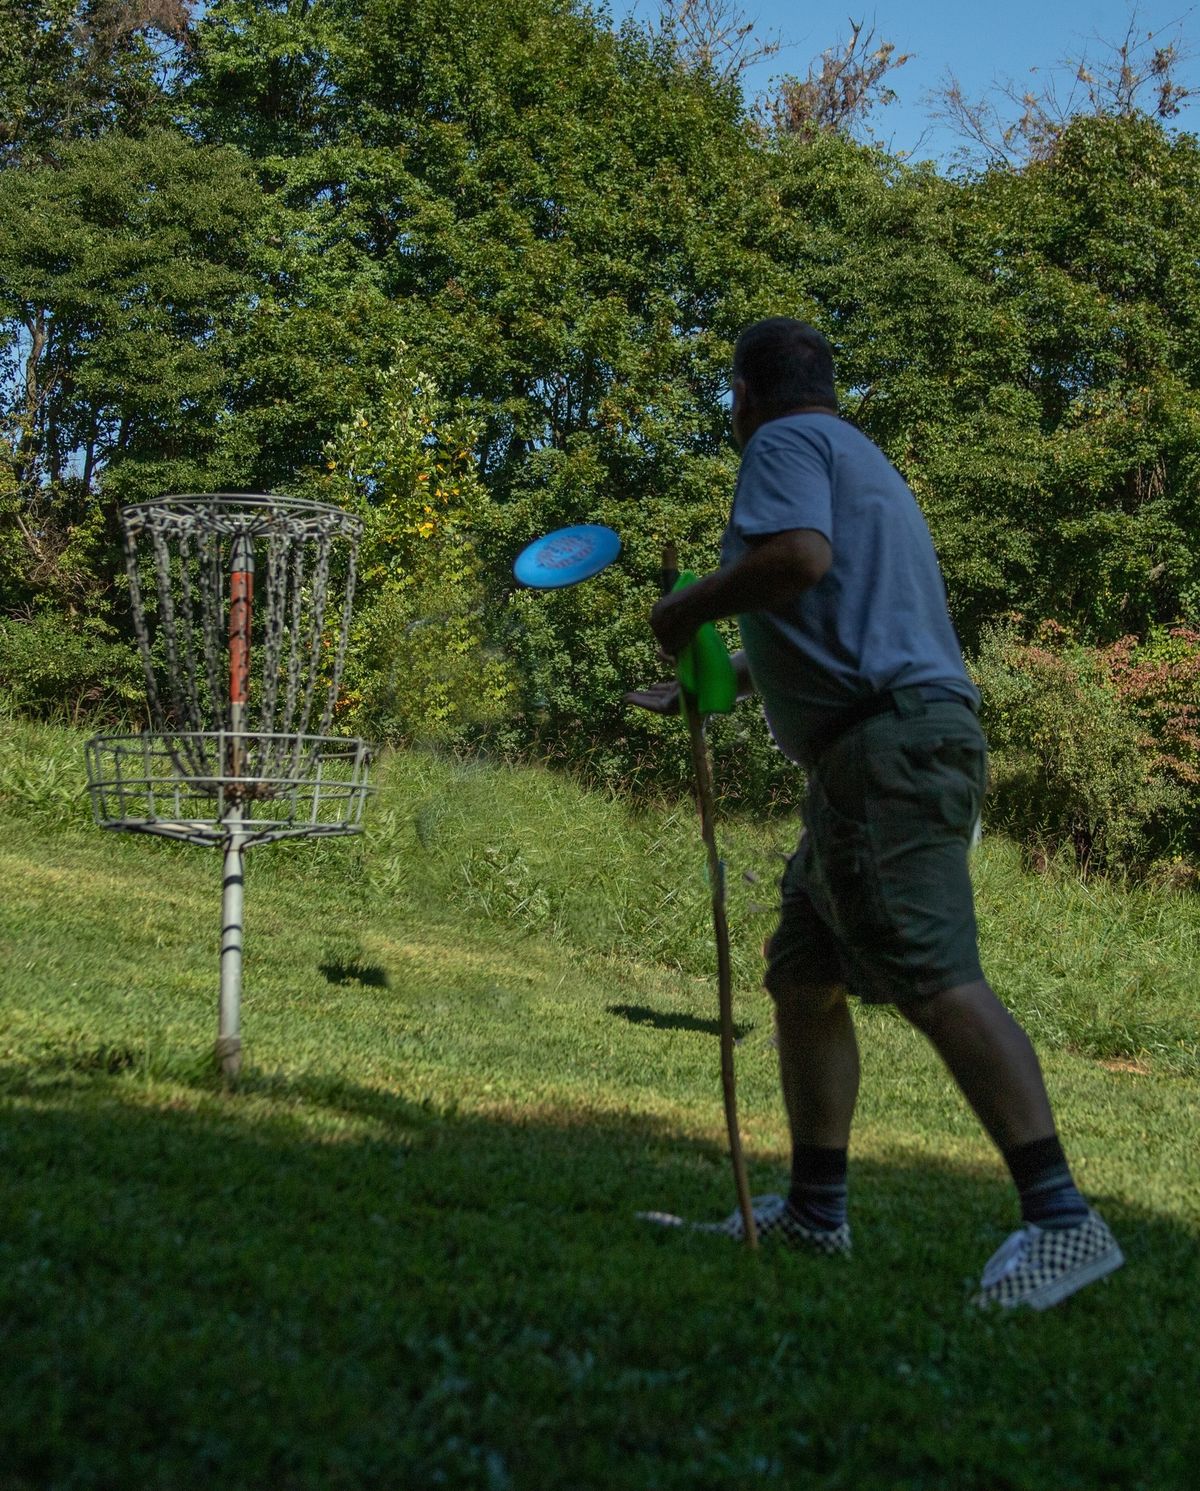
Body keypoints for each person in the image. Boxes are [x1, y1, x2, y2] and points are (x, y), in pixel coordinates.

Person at [627, 317, 1123, 1310]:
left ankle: (1065, 1223)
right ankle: (816, 1214)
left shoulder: (781, 444)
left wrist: (689, 611)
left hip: (887, 749)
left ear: (744, 396)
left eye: (734, 399)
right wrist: (705, 686)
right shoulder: (858, 457)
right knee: (804, 973)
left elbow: (798, 561)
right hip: (877, 744)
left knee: (934, 976)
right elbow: (841, 627)